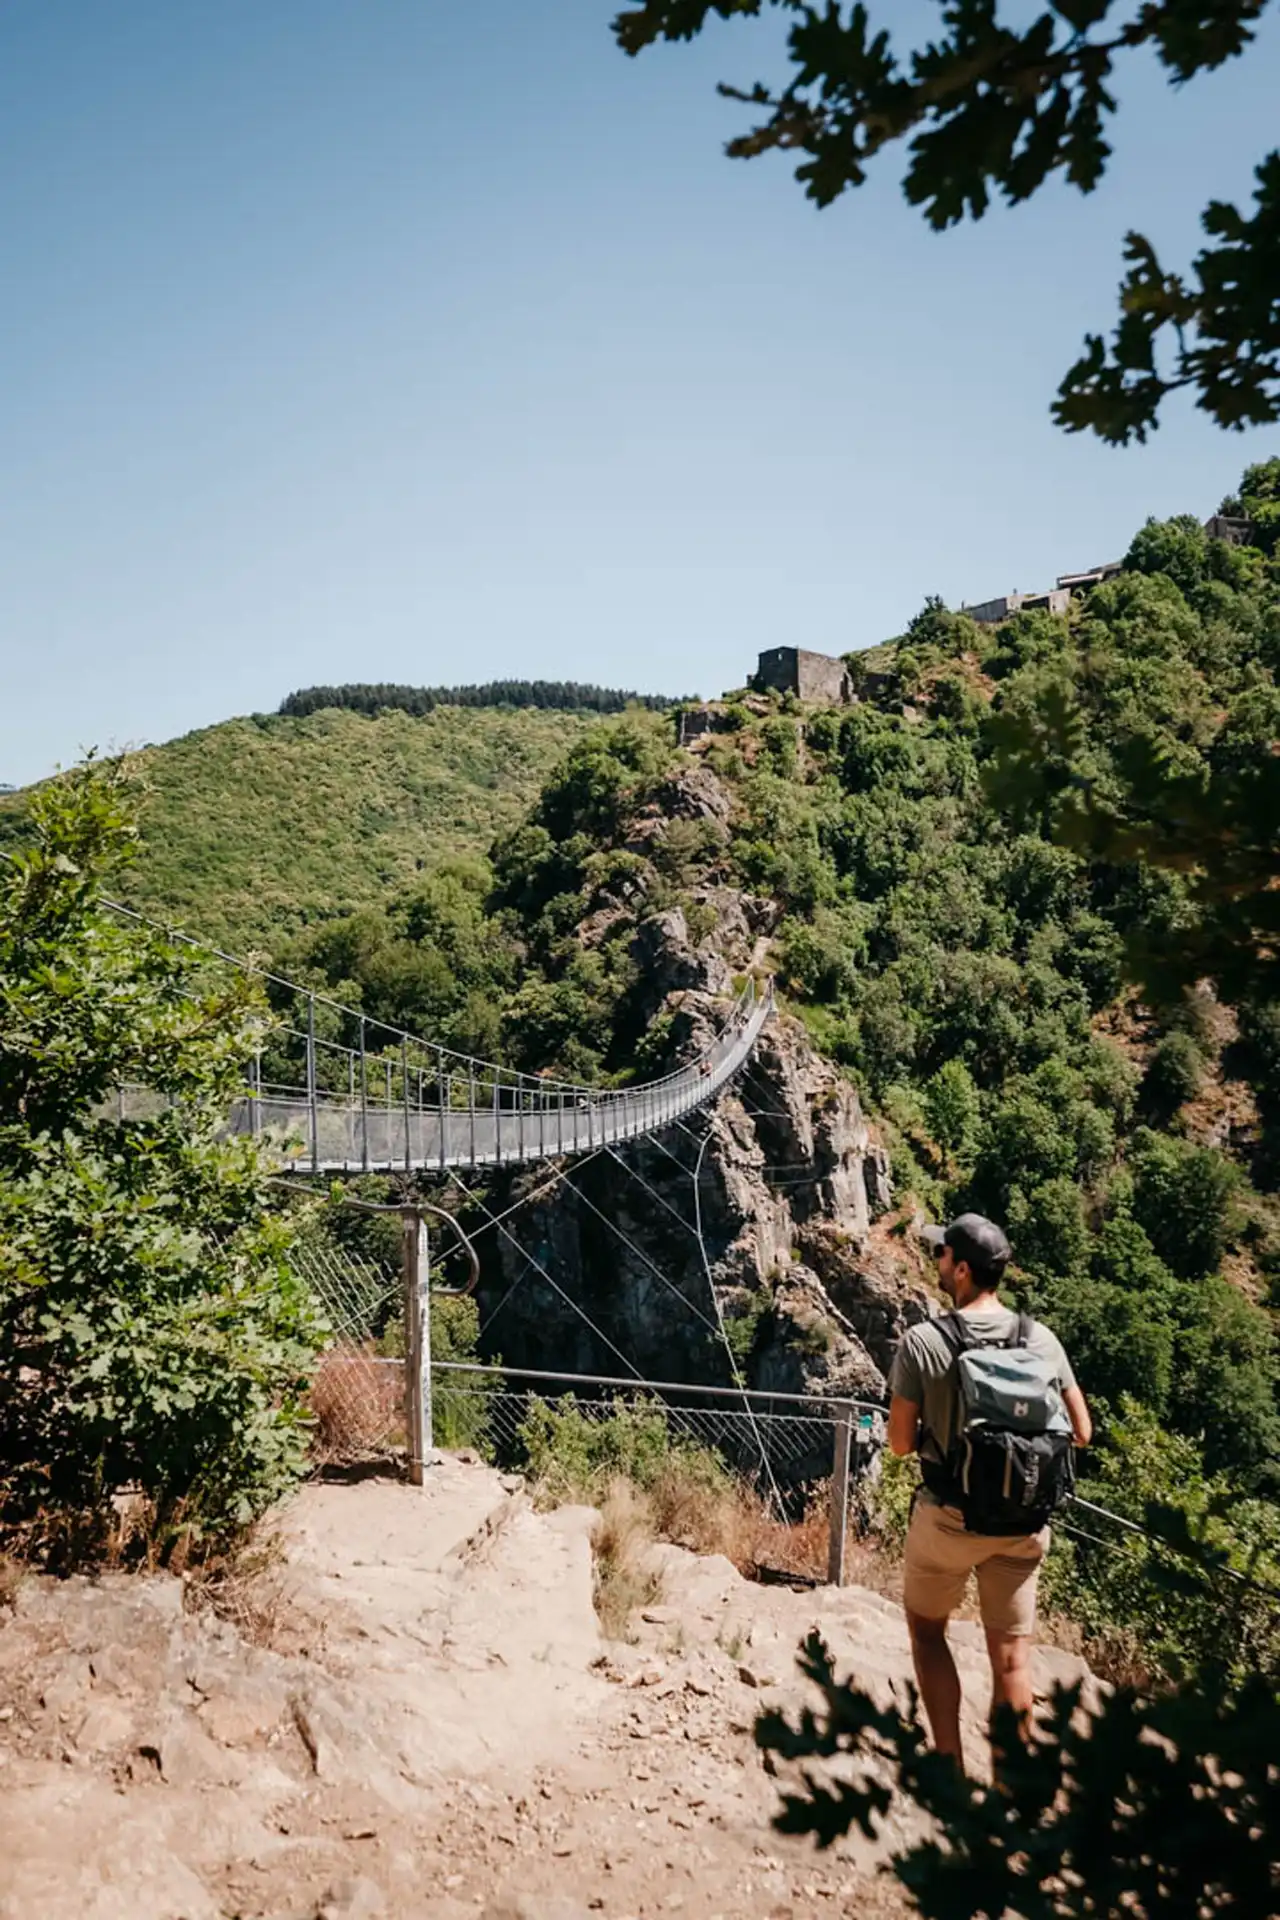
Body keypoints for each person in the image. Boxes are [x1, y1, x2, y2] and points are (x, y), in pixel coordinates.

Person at [886, 1213, 1092, 1771]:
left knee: (928, 1634)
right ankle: (1012, 1784)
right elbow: (1082, 1430)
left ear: (962, 1269)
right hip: (1022, 1524)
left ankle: (949, 1768)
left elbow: (900, 1445)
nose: (936, 1263)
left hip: (949, 1520)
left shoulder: (924, 1342)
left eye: (940, 1255)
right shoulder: (1039, 1338)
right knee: (1011, 1660)